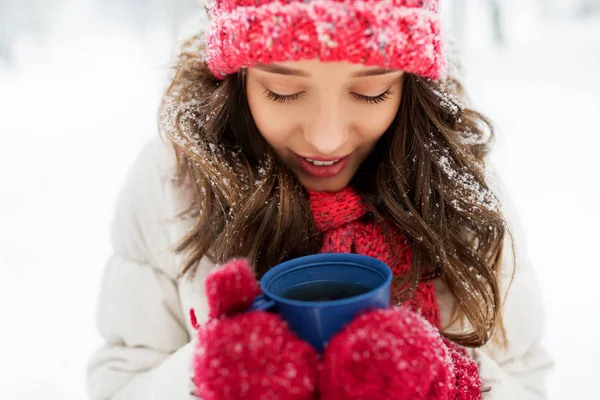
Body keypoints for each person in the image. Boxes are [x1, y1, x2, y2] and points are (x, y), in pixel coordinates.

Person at [87, 0, 553, 399]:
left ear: (409, 82)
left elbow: (528, 380)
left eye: (370, 92)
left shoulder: (458, 187)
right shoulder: (175, 182)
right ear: (240, 76)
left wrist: (450, 380)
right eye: (283, 91)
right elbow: (121, 383)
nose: (327, 138)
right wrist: (207, 373)